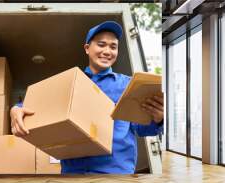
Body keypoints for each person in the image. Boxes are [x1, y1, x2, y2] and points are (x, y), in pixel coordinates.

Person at [10, 21, 164, 174]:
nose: (107, 51)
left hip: (115, 173)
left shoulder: (128, 84)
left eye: (113, 46)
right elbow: (37, 104)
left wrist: (160, 119)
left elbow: (143, 128)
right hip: (73, 173)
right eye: (101, 44)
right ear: (87, 48)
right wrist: (15, 109)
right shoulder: (70, 81)